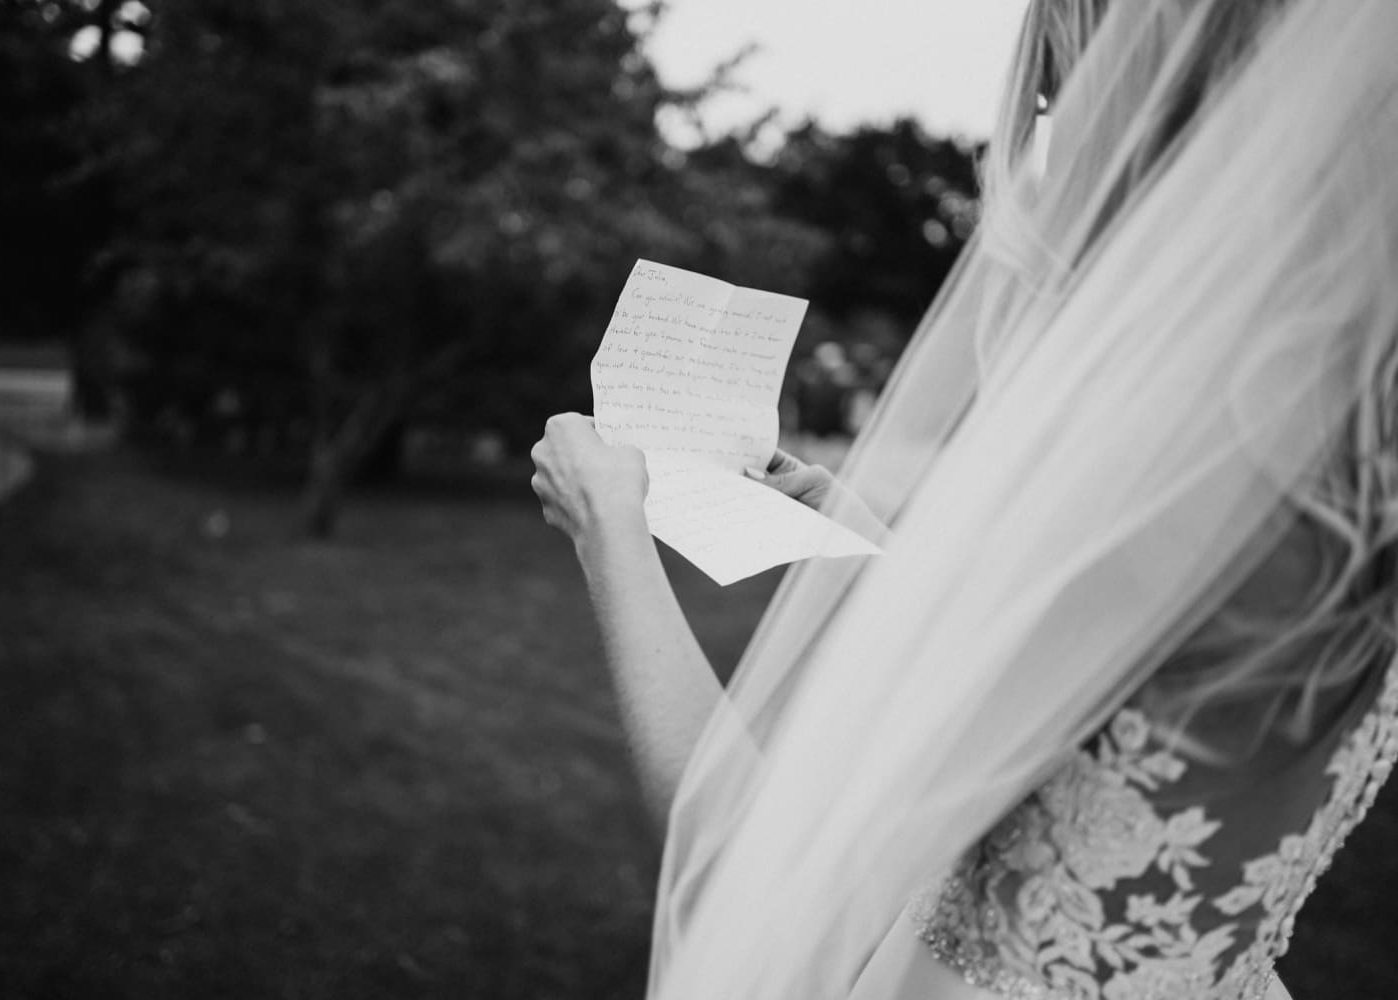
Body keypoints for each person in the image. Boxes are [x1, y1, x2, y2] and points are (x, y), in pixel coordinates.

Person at [530, 1, 1398, 997]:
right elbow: (1117, 684)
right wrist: (856, 541)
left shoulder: (1158, 459)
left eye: (1059, 91)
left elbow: (735, 873)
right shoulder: (1354, 431)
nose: (1051, 142)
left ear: (1150, 98)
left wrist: (612, 533)